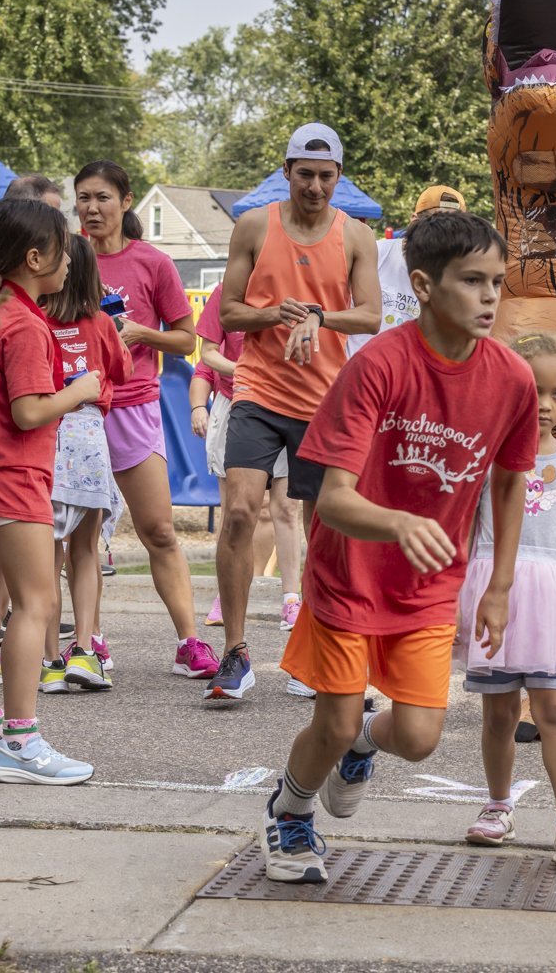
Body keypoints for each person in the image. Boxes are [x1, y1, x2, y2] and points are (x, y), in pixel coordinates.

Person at [257, 210, 537, 884]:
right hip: (348, 571)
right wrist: (401, 524)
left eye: (498, 281)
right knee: (332, 718)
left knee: (416, 738)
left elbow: (509, 481)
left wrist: (499, 584)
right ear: (424, 284)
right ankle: (291, 813)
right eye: (473, 281)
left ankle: (360, 744)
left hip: (428, 586)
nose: (490, 297)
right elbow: (332, 498)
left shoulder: (512, 380)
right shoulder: (378, 365)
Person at [216, 123, 382, 700]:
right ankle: (235, 653)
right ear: (286, 172)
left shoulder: (356, 236)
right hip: (259, 392)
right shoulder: (255, 226)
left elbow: (370, 316)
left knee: (323, 530)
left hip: (325, 400)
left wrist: (317, 315)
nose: (315, 186)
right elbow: (229, 315)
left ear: (339, 177)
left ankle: (315, 651)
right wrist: (275, 315)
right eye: (305, 174)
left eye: (326, 176)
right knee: (239, 512)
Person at [0, 198, 102, 783]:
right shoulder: (24, 324)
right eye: (63, 248)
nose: (70, 260)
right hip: (12, 477)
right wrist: (81, 388)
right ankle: (21, 739)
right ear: (36, 257)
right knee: (34, 604)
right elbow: (29, 411)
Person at [459, 331, 556, 871]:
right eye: (533, 390)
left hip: (552, 600)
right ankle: (498, 805)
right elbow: (464, 531)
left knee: (553, 711)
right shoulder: (483, 454)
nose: (545, 404)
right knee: (498, 713)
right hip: (492, 591)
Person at [76, 160, 204, 679]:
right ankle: (91, 643)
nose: (92, 208)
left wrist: (139, 334)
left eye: (103, 197)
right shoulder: (65, 260)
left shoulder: (152, 262)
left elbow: (187, 338)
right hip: (77, 411)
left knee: (159, 530)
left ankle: (190, 643)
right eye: (83, 197)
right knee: (83, 536)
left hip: (134, 406)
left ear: (127, 202)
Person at [36, 235, 132, 694]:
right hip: (89, 439)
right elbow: (124, 370)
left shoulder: (35, 320)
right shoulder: (100, 322)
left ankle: (50, 660)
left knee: (49, 557)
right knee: (86, 552)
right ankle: (86, 652)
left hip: (47, 439)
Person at [191, 284, 304, 646]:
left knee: (286, 508)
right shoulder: (227, 291)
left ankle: (291, 598)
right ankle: (229, 597)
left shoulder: (296, 286)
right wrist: (244, 370)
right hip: (237, 401)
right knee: (236, 511)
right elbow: (206, 355)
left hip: (289, 403)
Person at [348, 185, 466, 357]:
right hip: (357, 371)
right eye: (436, 222)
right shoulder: (376, 253)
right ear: (414, 221)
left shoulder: (454, 280)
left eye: (455, 227)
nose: (445, 233)